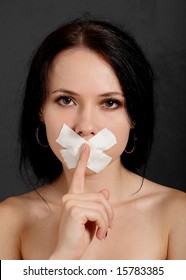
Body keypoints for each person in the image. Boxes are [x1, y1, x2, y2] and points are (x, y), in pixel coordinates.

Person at [0, 17, 186, 260]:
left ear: (135, 117)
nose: (86, 127)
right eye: (66, 100)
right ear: (40, 110)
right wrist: (63, 258)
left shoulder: (177, 214)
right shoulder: (10, 221)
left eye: (110, 103)